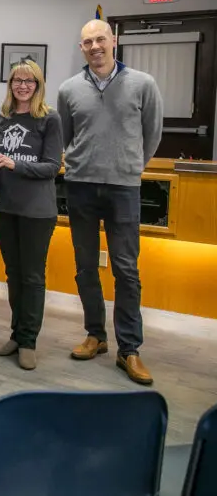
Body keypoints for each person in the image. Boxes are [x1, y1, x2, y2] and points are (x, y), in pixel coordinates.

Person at [58, 19, 163, 385]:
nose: (94, 46)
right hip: (81, 187)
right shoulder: (69, 89)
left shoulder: (143, 84)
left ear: (113, 41)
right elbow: (68, 139)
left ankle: (129, 349)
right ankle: (95, 336)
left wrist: (129, 167)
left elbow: (152, 136)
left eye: (100, 39)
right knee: (85, 266)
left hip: (123, 188)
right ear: (82, 48)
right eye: (87, 42)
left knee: (126, 271)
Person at [0, 60, 62, 371]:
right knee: (13, 275)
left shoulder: (49, 119)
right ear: (10, 84)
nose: (23, 86)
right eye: (18, 80)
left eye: (29, 81)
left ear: (38, 85)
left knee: (32, 277)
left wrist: (18, 166)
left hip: (37, 212)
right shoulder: (0, 120)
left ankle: (29, 340)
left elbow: (52, 166)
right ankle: (16, 335)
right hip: (5, 208)